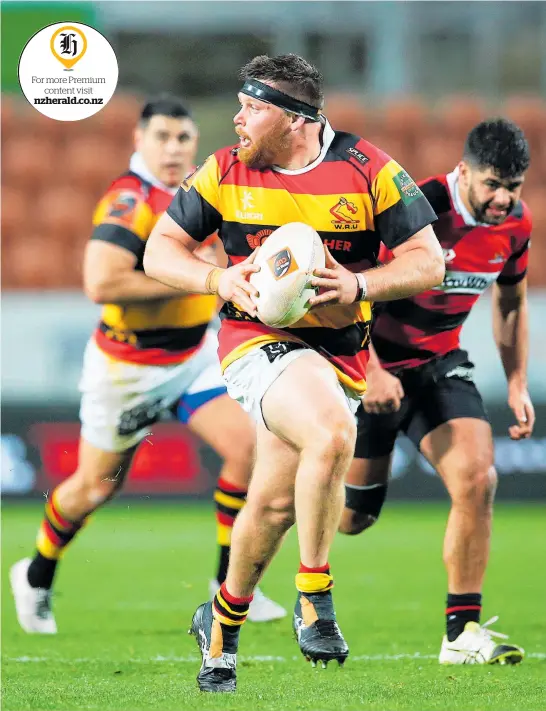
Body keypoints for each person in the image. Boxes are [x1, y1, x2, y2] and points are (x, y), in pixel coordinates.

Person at [144, 54, 444, 692]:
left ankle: (219, 626)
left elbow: (428, 262)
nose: (237, 119)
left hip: (342, 353)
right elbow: (157, 250)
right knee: (333, 434)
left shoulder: (369, 170)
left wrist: (362, 282)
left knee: (275, 502)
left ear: (296, 119)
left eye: (252, 107)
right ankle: (315, 595)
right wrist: (217, 276)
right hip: (255, 343)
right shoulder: (224, 169)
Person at [10, 94, 286, 635]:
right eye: (162, 137)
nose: (174, 148)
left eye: (183, 138)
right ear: (139, 141)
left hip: (191, 356)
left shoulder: (199, 192)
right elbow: (102, 281)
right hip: (128, 367)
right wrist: (189, 274)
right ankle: (36, 574)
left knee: (250, 447)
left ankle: (225, 584)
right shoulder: (129, 199)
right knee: (94, 488)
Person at [339, 118, 534, 665]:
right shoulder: (418, 206)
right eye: (493, 184)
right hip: (369, 365)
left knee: (478, 478)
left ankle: (461, 634)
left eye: (513, 187)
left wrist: (516, 382)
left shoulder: (516, 226)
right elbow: (354, 291)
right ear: (464, 170)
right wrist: (372, 369)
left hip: (438, 366)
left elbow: (511, 303)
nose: (503, 199)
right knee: (353, 520)